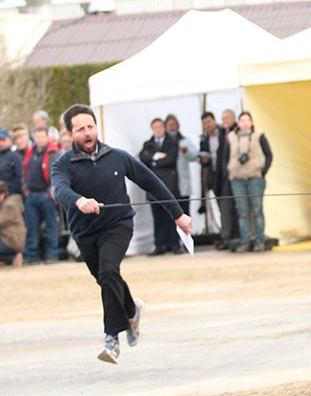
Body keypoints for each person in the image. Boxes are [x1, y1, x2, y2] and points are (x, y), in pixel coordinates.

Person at [51, 104, 191, 363]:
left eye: (90, 126)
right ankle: (131, 309)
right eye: (80, 129)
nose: (87, 132)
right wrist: (79, 200)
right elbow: (58, 190)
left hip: (118, 225)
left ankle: (111, 338)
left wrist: (178, 215)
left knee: (108, 271)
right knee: (107, 278)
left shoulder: (117, 157)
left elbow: (152, 183)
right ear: (70, 134)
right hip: (85, 234)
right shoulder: (63, 165)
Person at [227, 111, 272, 252]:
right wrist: (230, 172)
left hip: (255, 179)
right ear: (238, 123)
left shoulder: (259, 135)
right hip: (238, 180)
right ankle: (245, 240)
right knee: (243, 212)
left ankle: (259, 240)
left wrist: (262, 172)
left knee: (257, 209)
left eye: (247, 120)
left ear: (251, 122)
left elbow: (269, 155)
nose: (245, 123)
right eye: (242, 120)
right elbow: (224, 156)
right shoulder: (231, 137)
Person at [139, 118, 182, 255]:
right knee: (158, 217)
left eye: (160, 127)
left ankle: (174, 243)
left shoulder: (172, 142)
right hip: (153, 186)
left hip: (169, 185)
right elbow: (143, 157)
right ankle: (160, 244)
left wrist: (153, 161)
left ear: (164, 128)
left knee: (172, 215)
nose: (158, 130)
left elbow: (171, 159)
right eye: (155, 127)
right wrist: (157, 156)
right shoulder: (148, 143)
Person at [199, 111, 236, 248]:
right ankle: (227, 236)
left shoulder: (224, 133)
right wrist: (204, 160)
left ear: (214, 121)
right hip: (214, 177)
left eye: (208, 121)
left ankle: (228, 237)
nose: (207, 125)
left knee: (228, 208)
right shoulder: (204, 139)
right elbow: (203, 162)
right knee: (222, 208)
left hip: (225, 175)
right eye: (204, 123)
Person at [23, 126, 59, 264]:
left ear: (47, 137)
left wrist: (51, 192)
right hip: (31, 194)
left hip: (46, 195)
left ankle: (52, 255)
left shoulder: (53, 153)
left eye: (42, 136)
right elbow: (24, 172)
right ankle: (33, 255)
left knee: (51, 226)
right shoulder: (30, 153)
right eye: (37, 137)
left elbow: (56, 174)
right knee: (32, 227)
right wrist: (25, 189)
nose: (39, 139)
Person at [164, 114, 199, 218]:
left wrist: (186, 150)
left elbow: (195, 156)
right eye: (170, 125)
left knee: (184, 212)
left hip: (182, 183)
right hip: (169, 183)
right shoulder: (163, 143)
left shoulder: (185, 140)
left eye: (174, 124)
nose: (172, 127)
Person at [0, 182, 25, 268]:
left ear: (2, 195)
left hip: (11, 240)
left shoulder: (9, 206)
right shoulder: (5, 204)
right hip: (6, 239)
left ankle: (13, 258)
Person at [0, 128, 23, 196]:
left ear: (10, 140)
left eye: (3, 140)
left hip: (11, 195)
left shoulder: (15, 156)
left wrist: (5, 192)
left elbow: (20, 179)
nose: (0, 143)